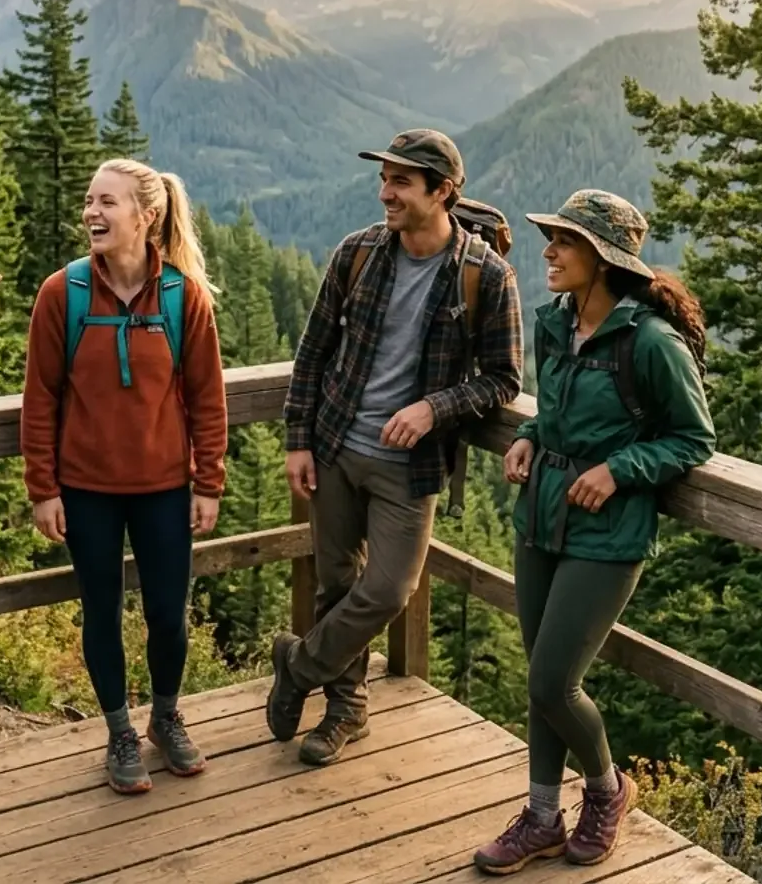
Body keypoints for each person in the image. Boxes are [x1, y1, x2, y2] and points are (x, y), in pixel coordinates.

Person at [471, 190, 715, 875]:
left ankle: (606, 792)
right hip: (541, 515)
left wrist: (621, 468)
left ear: (603, 260)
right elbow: (556, 410)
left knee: (554, 682)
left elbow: (694, 439)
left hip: (608, 534)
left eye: (565, 242)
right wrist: (526, 434)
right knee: (539, 682)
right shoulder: (556, 324)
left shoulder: (652, 343)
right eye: (552, 238)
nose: (548, 251)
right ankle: (542, 818)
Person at [269, 129, 522, 766]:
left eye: (401, 182)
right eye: (384, 179)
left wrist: (434, 407)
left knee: (387, 590)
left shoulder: (484, 275)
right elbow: (313, 352)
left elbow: (504, 379)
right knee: (336, 586)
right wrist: (298, 440)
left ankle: (297, 666)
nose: (386, 193)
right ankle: (345, 711)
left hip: (411, 468)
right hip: (333, 446)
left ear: (443, 192)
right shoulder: (357, 253)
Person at [20, 158, 229, 795]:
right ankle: (119, 731)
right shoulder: (64, 293)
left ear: (147, 216)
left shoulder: (182, 295)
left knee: (169, 615)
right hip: (86, 491)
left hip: (166, 488)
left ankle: (165, 717)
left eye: (107, 203)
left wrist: (208, 481)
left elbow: (206, 397)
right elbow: (40, 398)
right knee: (101, 613)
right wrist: (44, 489)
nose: (92, 213)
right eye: (89, 201)